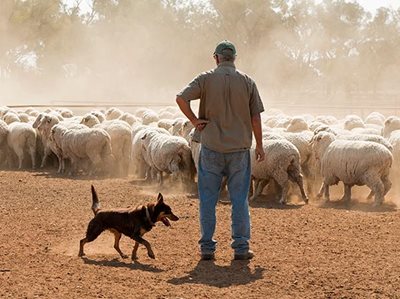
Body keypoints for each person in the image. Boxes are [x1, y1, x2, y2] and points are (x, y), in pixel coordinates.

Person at [176, 40, 265, 261]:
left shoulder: (205, 79)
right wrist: (260, 145)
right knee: (239, 200)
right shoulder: (247, 82)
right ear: (234, 58)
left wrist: (195, 121)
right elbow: (256, 116)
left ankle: (207, 248)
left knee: (207, 199)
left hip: (212, 148)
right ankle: (241, 248)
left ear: (216, 58)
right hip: (239, 150)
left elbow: (180, 97)